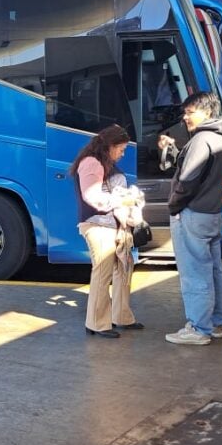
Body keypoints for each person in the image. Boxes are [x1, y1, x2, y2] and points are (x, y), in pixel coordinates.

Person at [158, 92, 222, 346]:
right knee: (213, 270)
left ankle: (199, 328)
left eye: (191, 112)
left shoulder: (201, 140)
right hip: (212, 214)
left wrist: (174, 205)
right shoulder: (221, 137)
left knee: (194, 273)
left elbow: (188, 179)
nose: (185, 116)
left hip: (193, 215)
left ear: (207, 112)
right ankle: (216, 323)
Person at [69, 124, 141, 338]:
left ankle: (121, 317)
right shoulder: (92, 163)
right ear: (110, 145)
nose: (123, 153)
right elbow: (91, 196)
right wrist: (124, 199)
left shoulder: (99, 161)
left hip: (110, 225)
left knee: (122, 269)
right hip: (98, 225)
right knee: (104, 272)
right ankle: (98, 323)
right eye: (121, 148)